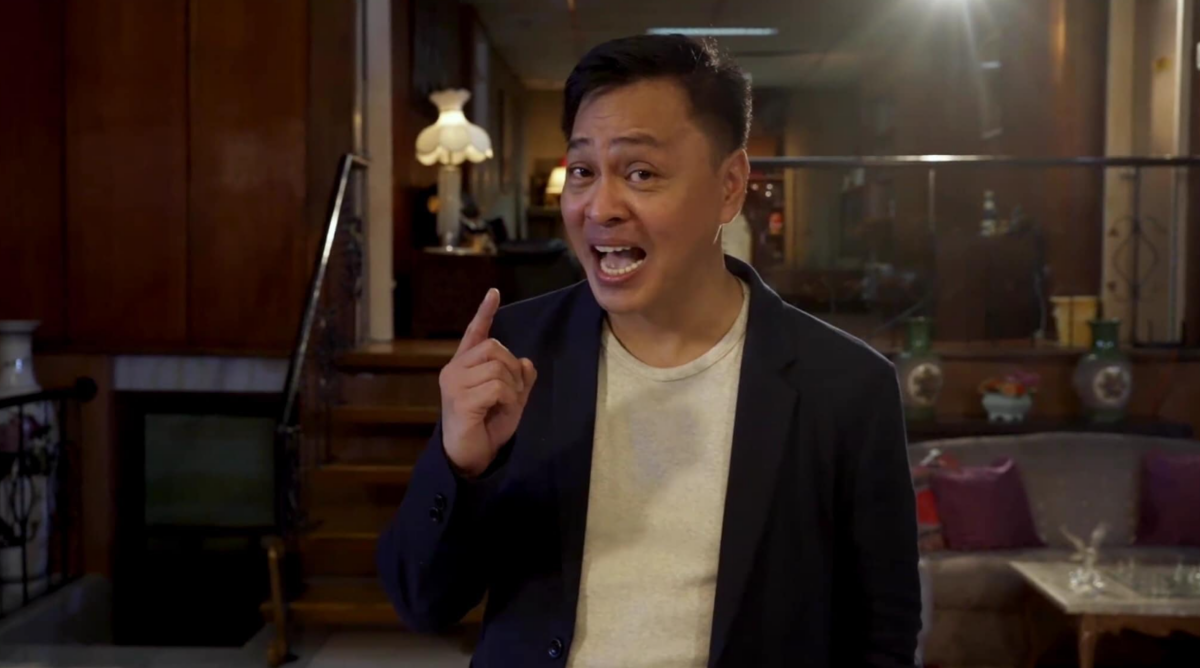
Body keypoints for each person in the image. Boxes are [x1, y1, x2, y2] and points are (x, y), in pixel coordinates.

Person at [377, 34, 921, 667]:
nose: (600, 207)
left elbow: (882, 633)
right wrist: (462, 465)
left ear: (730, 186)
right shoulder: (516, 356)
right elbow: (422, 603)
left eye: (641, 173)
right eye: (583, 171)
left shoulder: (846, 386)